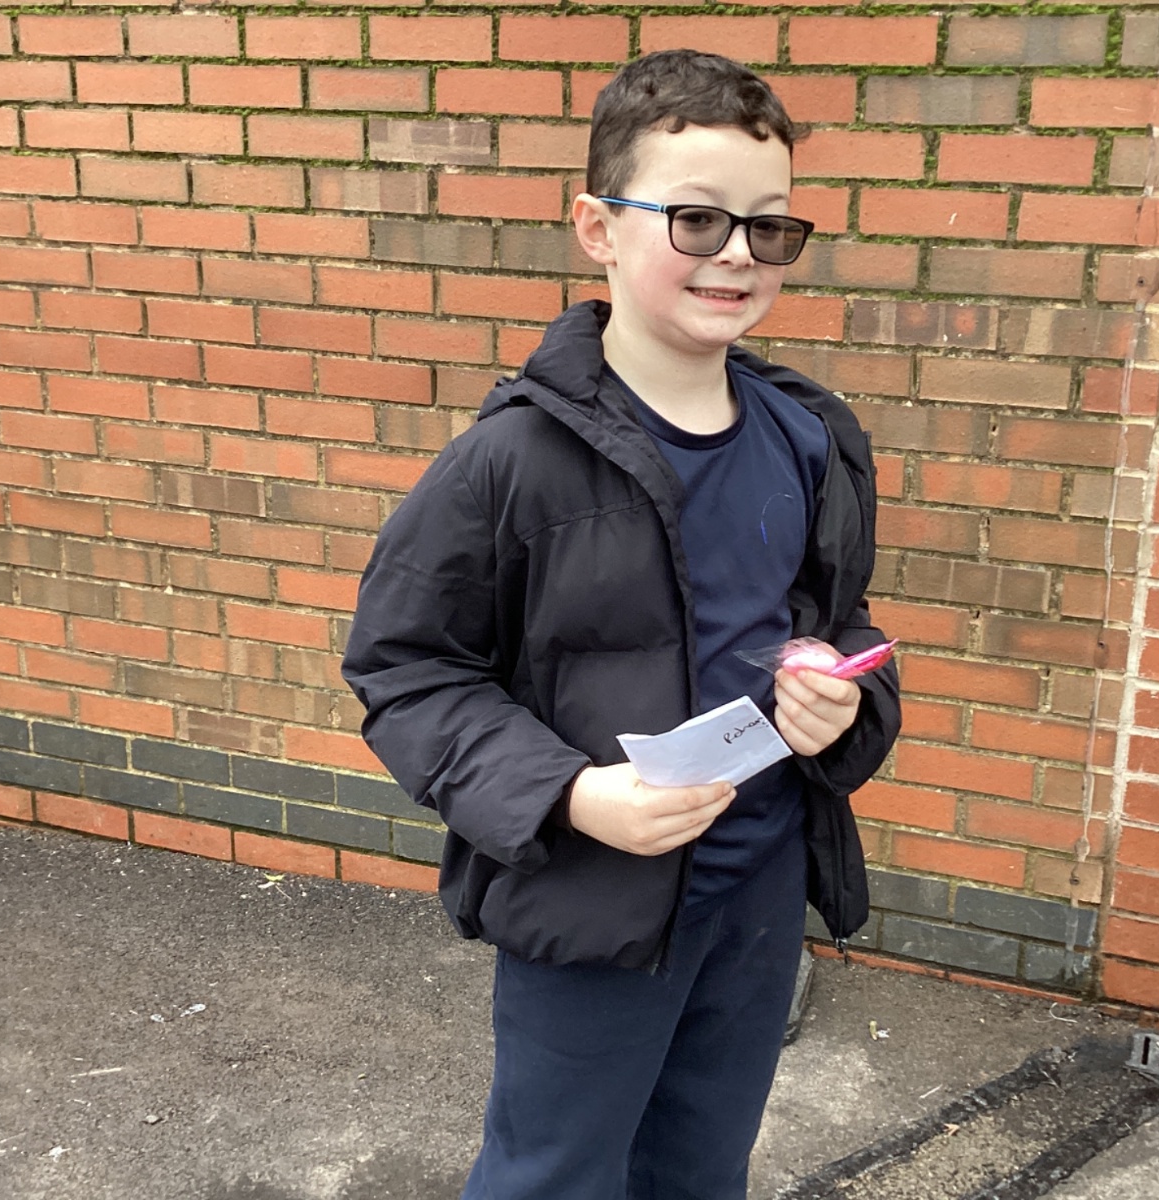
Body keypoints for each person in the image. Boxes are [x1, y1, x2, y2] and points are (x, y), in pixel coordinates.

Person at [342, 48, 902, 1200]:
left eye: (768, 226)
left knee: (701, 1170)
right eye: (695, 219)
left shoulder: (808, 437)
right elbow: (404, 668)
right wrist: (568, 794)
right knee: (553, 1175)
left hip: (756, 894)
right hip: (592, 905)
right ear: (597, 228)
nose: (737, 253)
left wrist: (840, 695)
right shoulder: (511, 460)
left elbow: (837, 621)